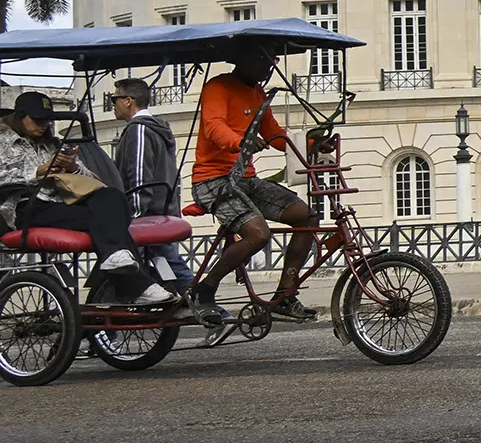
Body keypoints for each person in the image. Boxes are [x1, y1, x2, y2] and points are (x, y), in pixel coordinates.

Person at [0, 91, 174, 305]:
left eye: (47, 119)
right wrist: (39, 171)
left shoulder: (53, 144)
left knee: (111, 197)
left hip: (63, 204)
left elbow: (89, 181)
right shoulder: (3, 141)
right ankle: (139, 286)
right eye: (37, 120)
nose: (44, 124)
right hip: (25, 208)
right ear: (21, 116)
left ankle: (116, 257)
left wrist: (72, 167)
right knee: (106, 222)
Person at [187, 45, 319, 322]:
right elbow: (213, 126)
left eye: (273, 61)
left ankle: (285, 294)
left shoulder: (258, 93)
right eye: (263, 59)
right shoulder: (217, 87)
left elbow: (273, 133)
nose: (268, 67)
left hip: (245, 180)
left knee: (306, 217)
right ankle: (204, 289)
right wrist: (240, 142)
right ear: (243, 59)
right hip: (213, 180)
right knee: (258, 234)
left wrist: (311, 144)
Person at [109, 77, 209, 315]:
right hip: (160, 211)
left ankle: (211, 312)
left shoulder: (139, 130)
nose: (113, 104)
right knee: (161, 266)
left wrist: (132, 216)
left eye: (115, 99)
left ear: (128, 101)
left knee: (167, 266)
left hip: (147, 215)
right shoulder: (156, 128)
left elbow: (139, 177)